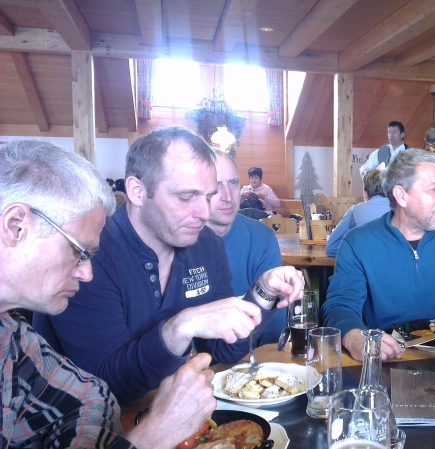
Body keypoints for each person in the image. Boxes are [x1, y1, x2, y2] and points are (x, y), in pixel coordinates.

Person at [34, 126, 304, 406]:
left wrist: (263, 292)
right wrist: (179, 328)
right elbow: (106, 387)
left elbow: (223, 351)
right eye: (186, 198)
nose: (203, 213)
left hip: (181, 413)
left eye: (208, 196)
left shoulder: (206, 244)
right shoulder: (90, 254)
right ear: (137, 191)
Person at [0, 140, 217, 448]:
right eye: (78, 251)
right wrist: (154, 434)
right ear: (16, 226)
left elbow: (94, 396)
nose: (87, 272)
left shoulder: (12, 334)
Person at [323, 149, 435, 361]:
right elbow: (341, 306)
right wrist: (353, 338)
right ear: (401, 195)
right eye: (433, 189)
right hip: (387, 360)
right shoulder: (358, 242)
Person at [207, 150, 298, 344]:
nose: (228, 196)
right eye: (216, 186)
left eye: (233, 183)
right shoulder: (178, 240)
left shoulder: (262, 238)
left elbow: (273, 333)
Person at [326, 170, 390, 257]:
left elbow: (331, 249)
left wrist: (357, 250)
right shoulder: (401, 209)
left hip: (365, 268)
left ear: (365, 193)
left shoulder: (356, 210)